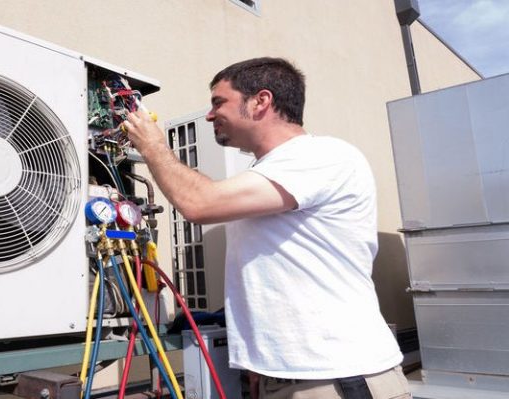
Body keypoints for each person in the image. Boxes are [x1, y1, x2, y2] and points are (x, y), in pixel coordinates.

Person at [122, 57, 410, 399]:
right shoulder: (271, 171)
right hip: (289, 378)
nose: (210, 115)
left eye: (218, 103)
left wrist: (152, 144)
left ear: (261, 101)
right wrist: (260, 367)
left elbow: (199, 203)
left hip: (337, 380)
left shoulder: (320, 156)